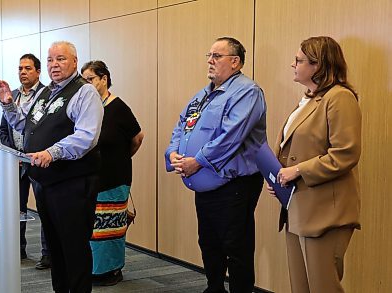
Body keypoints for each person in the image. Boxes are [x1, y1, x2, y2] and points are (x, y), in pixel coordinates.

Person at [0, 41, 103, 293]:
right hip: (44, 182)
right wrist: (9, 104)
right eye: (51, 60)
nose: (54, 65)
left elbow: (87, 136)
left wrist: (52, 152)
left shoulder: (84, 93)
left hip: (72, 183)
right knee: (55, 247)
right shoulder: (44, 93)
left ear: (75, 62)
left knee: (73, 248)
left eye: (61, 59)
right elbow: (25, 126)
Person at [165, 37, 267, 293]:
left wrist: (197, 161)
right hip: (205, 185)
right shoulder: (203, 94)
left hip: (234, 184)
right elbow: (181, 125)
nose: (210, 61)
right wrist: (174, 152)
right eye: (209, 55)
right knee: (209, 244)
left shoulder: (247, 92)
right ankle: (214, 289)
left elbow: (231, 136)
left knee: (236, 247)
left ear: (235, 62)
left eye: (217, 56)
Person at [270, 36, 361, 293]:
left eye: (298, 60)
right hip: (297, 206)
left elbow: (345, 154)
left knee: (324, 287)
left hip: (325, 212)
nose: (292, 64)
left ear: (318, 65)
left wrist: (296, 171)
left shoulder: (340, 97)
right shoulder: (308, 99)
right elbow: (295, 148)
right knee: (301, 287)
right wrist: (279, 176)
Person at [81, 60, 144, 286]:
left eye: (90, 79)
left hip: (115, 176)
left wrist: (121, 157)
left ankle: (112, 270)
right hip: (91, 176)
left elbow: (138, 137)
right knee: (94, 228)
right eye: (84, 80)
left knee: (111, 227)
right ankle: (95, 270)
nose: (86, 84)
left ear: (104, 79)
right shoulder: (88, 107)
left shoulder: (118, 108)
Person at [0, 53, 51, 270]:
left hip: (38, 161)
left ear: (38, 71)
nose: (23, 72)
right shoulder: (12, 95)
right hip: (16, 161)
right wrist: (13, 154)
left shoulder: (48, 94)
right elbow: (4, 129)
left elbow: (48, 130)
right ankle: (18, 248)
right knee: (16, 208)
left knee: (44, 207)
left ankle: (48, 253)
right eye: (20, 68)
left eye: (28, 68)